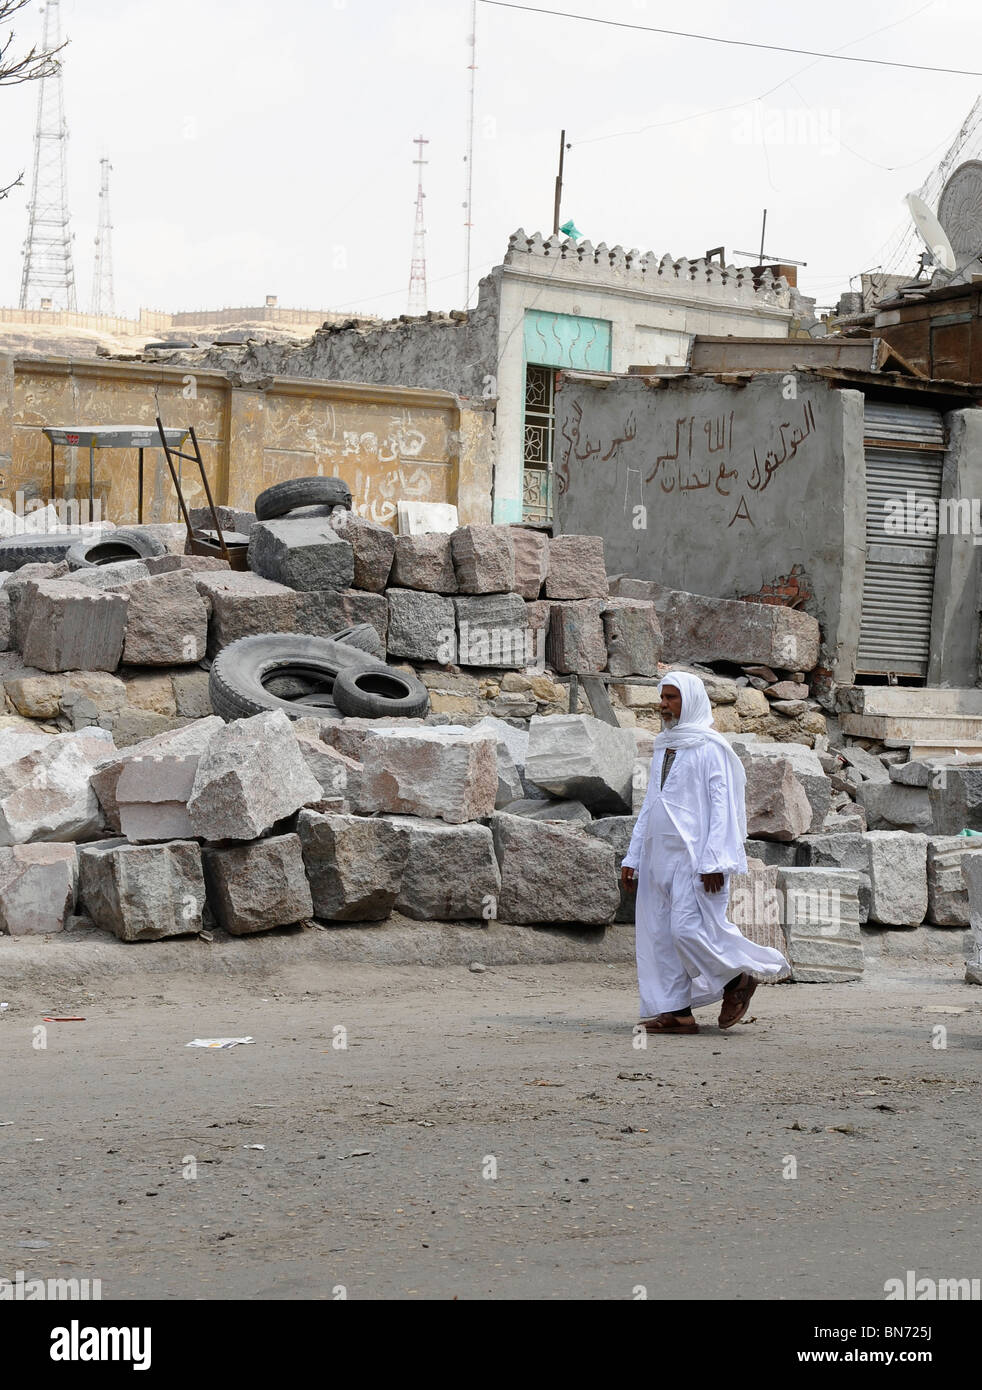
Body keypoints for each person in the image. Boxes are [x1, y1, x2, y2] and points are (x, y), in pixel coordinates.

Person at [621, 670, 790, 1035]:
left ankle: (736, 982)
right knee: (660, 937)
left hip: (697, 860)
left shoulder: (711, 748)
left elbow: (723, 807)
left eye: (672, 697)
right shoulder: (664, 744)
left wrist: (715, 860)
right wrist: (633, 857)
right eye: (662, 697)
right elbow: (652, 803)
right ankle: (677, 1013)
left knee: (687, 931)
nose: (663, 704)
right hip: (657, 857)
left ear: (691, 700)